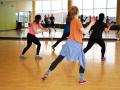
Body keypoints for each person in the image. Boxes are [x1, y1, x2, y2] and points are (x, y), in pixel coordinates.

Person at [41, 6, 95, 84]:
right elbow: (85, 32)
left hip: (69, 43)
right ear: (77, 12)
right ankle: (81, 79)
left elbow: (79, 31)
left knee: (58, 59)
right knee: (82, 61)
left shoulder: (72, 21)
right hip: (76, 45)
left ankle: (47, 72)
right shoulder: (77, 21)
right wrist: (91, 23)